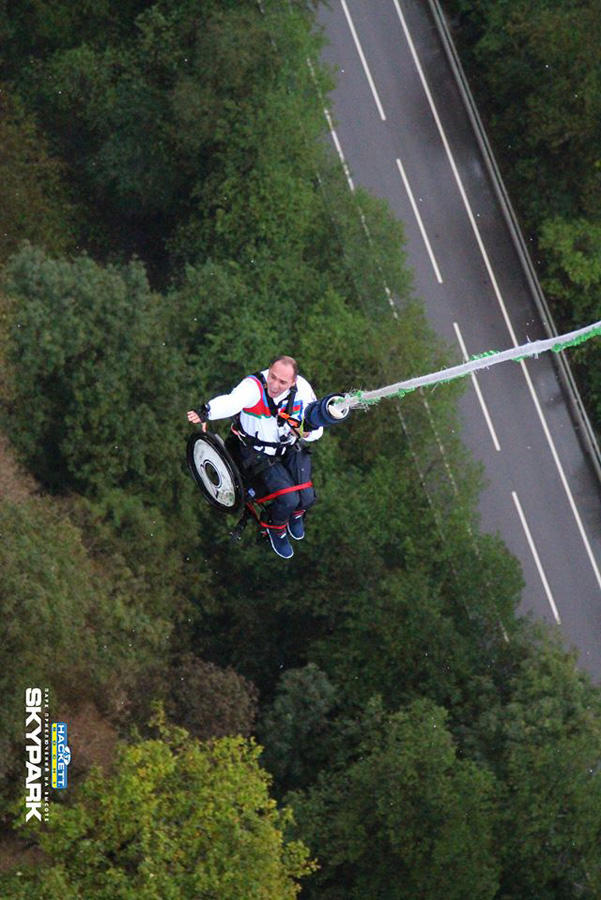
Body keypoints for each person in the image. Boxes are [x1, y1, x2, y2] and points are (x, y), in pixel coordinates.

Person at [187, 356, 323, 559]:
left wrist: (305, 431)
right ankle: (276, 528)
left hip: (287, 446)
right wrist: (207, 411)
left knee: (307, 497)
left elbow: (316, 427)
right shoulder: (253, 387)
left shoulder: (302, 390)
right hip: (256, 452)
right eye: (272, 377)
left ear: (293, 382)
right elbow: (231, 402)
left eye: (282, 382)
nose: (274, 385)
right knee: (288, 499)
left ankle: (297, 514)